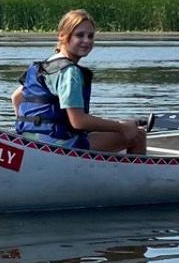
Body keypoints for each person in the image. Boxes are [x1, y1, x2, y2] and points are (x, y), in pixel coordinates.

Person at [11, 9, 146, 154]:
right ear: (63, 36)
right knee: (138, 136)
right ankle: (137, 177)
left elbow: (16, 97)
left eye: (90, 36)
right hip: (58, 145)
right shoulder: (70, 72)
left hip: (28, 140)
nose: (86, 41)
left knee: (94, 133)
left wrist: (28, 126)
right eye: (79, 35)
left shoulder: (43, 67)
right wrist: (122, 127)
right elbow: (78, 121)